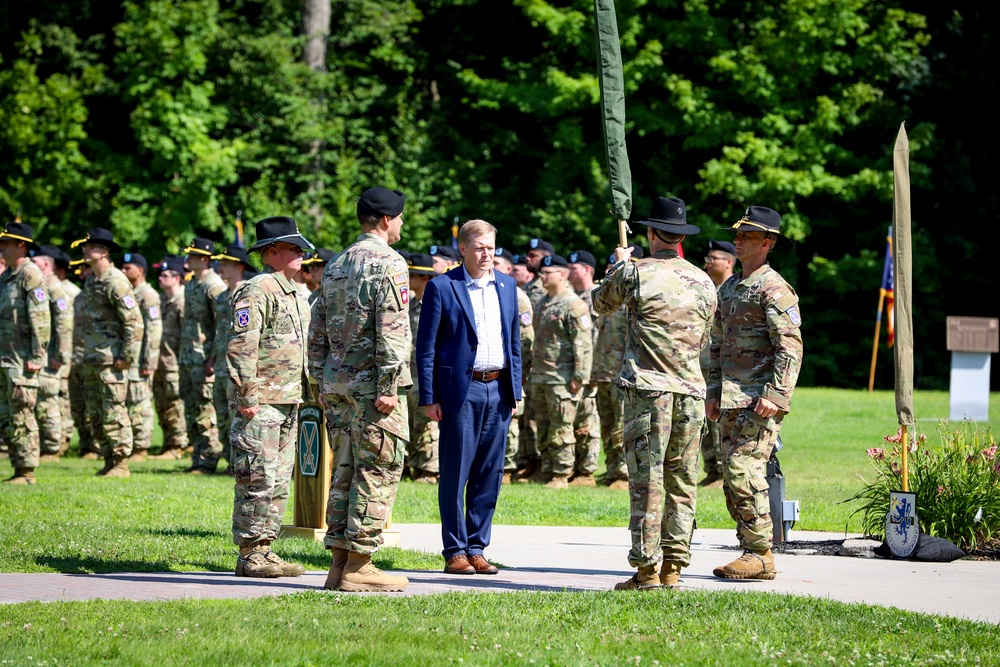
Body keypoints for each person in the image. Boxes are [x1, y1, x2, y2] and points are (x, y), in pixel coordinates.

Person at [593, 197, 717, 590]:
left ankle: (646, 569)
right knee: (683, 480)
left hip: (649, 391)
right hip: (691, 393)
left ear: (650, 233)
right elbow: (706, 340)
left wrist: (619, 265)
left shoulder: (636, 273)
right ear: (681, 235)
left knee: (648, 481)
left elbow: (600, 303)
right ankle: (673, 568)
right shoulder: (704, 281)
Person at [308, 186, 412, 592]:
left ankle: (339, 564)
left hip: (337, 385)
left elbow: (316, 328)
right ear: (385, 220)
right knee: (378, 469)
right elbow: (393, 332)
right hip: (373, 389)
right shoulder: (390, 263)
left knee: (345, 470)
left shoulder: (336, 264)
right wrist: (388, 385)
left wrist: (319, 378)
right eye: (399, 217)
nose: (401, 223)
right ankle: (360, 565)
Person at [416, 219, 521, 574]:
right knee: (455, 472)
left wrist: (515, 389)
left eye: (491, 247)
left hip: (498, 388)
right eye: (479, 247)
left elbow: (514, 343)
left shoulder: (506, 286)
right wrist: (429, 396)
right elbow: (426, 347)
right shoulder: (442, 287)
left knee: (489, 473)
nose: (487, 254)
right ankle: (455, 551)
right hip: (461, 391)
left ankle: (477, 547)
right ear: (462, 250)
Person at [707, 206, 803, 581]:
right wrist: (713, 391)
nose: (738, 240)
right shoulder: (730, 287)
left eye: (746, 237)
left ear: (767, 243)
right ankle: (749, 549)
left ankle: (761, 553)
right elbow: (717, 344)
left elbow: (790, 347)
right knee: (733, 478)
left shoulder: (774, 288)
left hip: (759, 399)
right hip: (731, 398)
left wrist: (776, 395)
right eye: (738, 234)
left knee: (743, 470)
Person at [226, 217, 313, 578]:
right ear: (273, 251)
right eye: (295, 248)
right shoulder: (256, 289)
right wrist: (247, 394)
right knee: (256, 476)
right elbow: (241, 346)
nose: (303, 254)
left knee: (278, 479)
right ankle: (248, 553)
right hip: (260, 402)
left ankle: (265, 548)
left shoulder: (293, 292)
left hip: (289, 399)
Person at [73, 228, 143, 477]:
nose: (84, 249)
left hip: (112, 360)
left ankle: (121, 463)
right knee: (96, 412)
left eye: (89, 246)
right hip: (93, 358)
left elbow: (134, 322)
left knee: (114, 411)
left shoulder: (116, 281)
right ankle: (108, 459)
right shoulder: (92, 280)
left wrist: (126, 357)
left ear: (103, 251)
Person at [528, 254, 592, 489]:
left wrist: (579, 376)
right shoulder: (544, 302)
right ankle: (547, 468)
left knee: (561, 427)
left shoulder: (574, 304)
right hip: (541, 375)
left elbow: (583, 344)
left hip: (562, 378)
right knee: (543, 426)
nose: (542, 276)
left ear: (562, 275)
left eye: (548, 273)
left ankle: (561, 473)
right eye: (542, 273)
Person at [0, 221, 51, 484]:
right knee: (8, 416)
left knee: (22, 414)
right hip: (5, 358)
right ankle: (17, 468)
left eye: (6, 242)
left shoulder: (30, 274)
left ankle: (27, 470)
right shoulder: (6, 276)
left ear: (21, 245)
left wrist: (36, 355)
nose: (2, 246)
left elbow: (40, 318)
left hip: (22, 360)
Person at [592, 246, 643, 489]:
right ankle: (612, 469)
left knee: (623, 426)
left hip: (624, 373)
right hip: (605, 371)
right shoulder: (611, 297)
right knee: (608, 425)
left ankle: (624, 473)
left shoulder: (633, 299)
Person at [180, 237, 227, 474]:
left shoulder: (214, 286)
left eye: (191, 256)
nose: (187, 259)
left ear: (204, 259)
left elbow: (221, 326)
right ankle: (197, 457)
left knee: (204, 409)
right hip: (188, 355)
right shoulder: (190, 283)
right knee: (191, 407)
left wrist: (213, 357)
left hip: (204, 356)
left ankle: (209, 458)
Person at [209, 245, 256, 471]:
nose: (221, 267)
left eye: (226, 264)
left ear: (239, 267)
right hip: (220, 364)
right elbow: (219, 332)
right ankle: (230, 461)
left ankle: (240, 464)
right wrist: (211, 358)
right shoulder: (221, 297)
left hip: (238, 367)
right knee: (221, 415)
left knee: (238, 417)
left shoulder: (247, 292)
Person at [492, 247, 534, 484]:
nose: (492, 266)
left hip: (510, 371)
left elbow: (526, 341)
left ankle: (507, 469)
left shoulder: (518, 296)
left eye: (498, 263)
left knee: (510, 421)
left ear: (509, 269)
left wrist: (519, 373)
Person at [698, 240, 737, 487]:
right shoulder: (705, 288)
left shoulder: (733, 289)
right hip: (702, 364)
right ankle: (711, 469)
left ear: (729, 262)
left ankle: (724, 470)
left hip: (725, 366)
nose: (708, 262)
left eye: (714, 258)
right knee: (703, 419)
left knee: (720, 418)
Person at [30, 246, 71, 461]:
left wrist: (61, 354)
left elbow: (64, 324)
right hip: (43, 353)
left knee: (48, 400)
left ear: (46, 265)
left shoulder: (55, 288)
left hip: (51, 355)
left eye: (35, 263)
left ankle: (53, 447)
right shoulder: (43, 286)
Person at [121, 253, 162, 461]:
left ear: (140, 270)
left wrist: (149, 360)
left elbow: (154, 330)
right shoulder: (130, 292)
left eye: (128, 268)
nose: (123, 271)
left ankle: (141, 446)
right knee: (129, 401)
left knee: (140, 402)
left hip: (141, 359)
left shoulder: (148, 294)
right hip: (130, 357)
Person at [404, 252, 440, 483]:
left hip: (429, 372)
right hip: (412, 371)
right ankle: (416, 464)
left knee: (428, 424)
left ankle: (429, 469)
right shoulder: (413, 304)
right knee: (415, 421)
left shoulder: (435, 304)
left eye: (412, 275)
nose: (408, 279)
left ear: (424, 278)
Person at [566, 250, 601, 486]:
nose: (568, 272)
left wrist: (589, 371)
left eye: (574, 267)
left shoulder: (597, 296)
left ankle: (586, 470)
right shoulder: (569, 297)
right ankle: (575, 468)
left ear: (587, 270)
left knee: (588, 421)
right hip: (572, 368)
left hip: (592, 369)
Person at [150, 257, 189, 459]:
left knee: (175, 405)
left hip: (174, 362)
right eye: (160, 275)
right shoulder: (161, 300)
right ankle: (167, 443)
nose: (160, 279)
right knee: (162, 405)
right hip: (160, 361)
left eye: (165, 275)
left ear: (177, 278)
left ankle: (178, 445)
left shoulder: (182, 302)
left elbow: (187, 335)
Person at [68, 259, 98, 458]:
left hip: (96, 357)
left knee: (95, 405)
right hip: (77, 356)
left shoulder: (101, 294)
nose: (81, 271)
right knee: (78, 405)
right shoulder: (79, 297)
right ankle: (85, 444)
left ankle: (98, 447)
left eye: (85, 267)